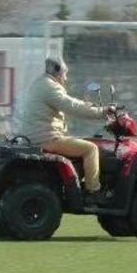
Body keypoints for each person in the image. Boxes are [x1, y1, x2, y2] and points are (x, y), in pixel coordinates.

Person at [19, 55, 115, 204]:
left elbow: (69, 101)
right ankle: (93, 192)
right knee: (90, 149)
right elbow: (71, 107)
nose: (66, 77)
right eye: (65, 73)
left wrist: (87, 105)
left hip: (35, 136)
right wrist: (102, 112)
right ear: (57, 72)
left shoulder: (41, 83)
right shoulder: (50, 87)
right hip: (47, 138)